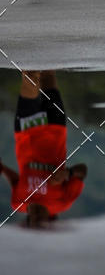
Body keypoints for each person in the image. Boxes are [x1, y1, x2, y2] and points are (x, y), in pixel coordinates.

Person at [0, 71, 87, 227]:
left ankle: (29, 58)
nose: (39, 220)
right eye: (42, 224)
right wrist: (69, 173)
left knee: (30, 77)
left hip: (27, 133)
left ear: (28, 221)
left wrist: (3, 169)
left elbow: (15, 181)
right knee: (48, 76)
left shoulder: (17, 204)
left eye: (35, 224)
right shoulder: (62, 203)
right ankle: (45, 52)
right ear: (50, 221)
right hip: (56, 130)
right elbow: (83, 171)